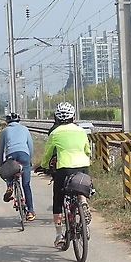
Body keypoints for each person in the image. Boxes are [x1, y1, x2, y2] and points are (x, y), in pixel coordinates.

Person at [39, 101, 91, 249]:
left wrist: (44, 166)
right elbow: (87, 150)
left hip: (64, 168)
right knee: (80, 188)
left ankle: (59, 235)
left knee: (58, 200)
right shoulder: (81, 131)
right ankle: (83, 203)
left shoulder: (55, 133)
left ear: (56, 117)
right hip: (83, 166)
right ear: (73, 117)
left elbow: (47, 154)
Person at [0, 112, 35, 221]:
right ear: (19, 121)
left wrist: (1, 164)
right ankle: (30, 212)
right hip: (24, 155)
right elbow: (30, 146)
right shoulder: (25, 129)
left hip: (11, 155)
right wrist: (29, 160)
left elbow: (1, 150)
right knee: (26, 185)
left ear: (7, 122)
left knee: (9, 169)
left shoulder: (5, 131)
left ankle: (9, 186)